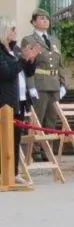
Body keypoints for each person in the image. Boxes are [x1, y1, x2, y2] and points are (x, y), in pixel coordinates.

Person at [1, 17, 41, 185]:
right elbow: (7, 73)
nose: (15, 32)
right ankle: (4, 173)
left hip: (19, 100)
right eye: (13, 29)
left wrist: (31, 59)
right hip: (4, 102)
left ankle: (14, 173)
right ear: (4, 30)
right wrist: (23, 60)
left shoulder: (14, 49)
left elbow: (28, 72)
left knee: (16, 138)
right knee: (4, 139)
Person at [21, 9, 66, 135]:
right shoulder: (28, 40)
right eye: (41, 18)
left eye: (47, 18)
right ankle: (35, 151)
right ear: (34, 22)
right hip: (39, 85)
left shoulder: (55, 40)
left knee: (52, 120)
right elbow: (28, 64)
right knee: (37, 119)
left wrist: (63, 84)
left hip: (54, 85)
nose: (45, 20)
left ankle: (48, 150)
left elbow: (60, 65)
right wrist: (31, 86)